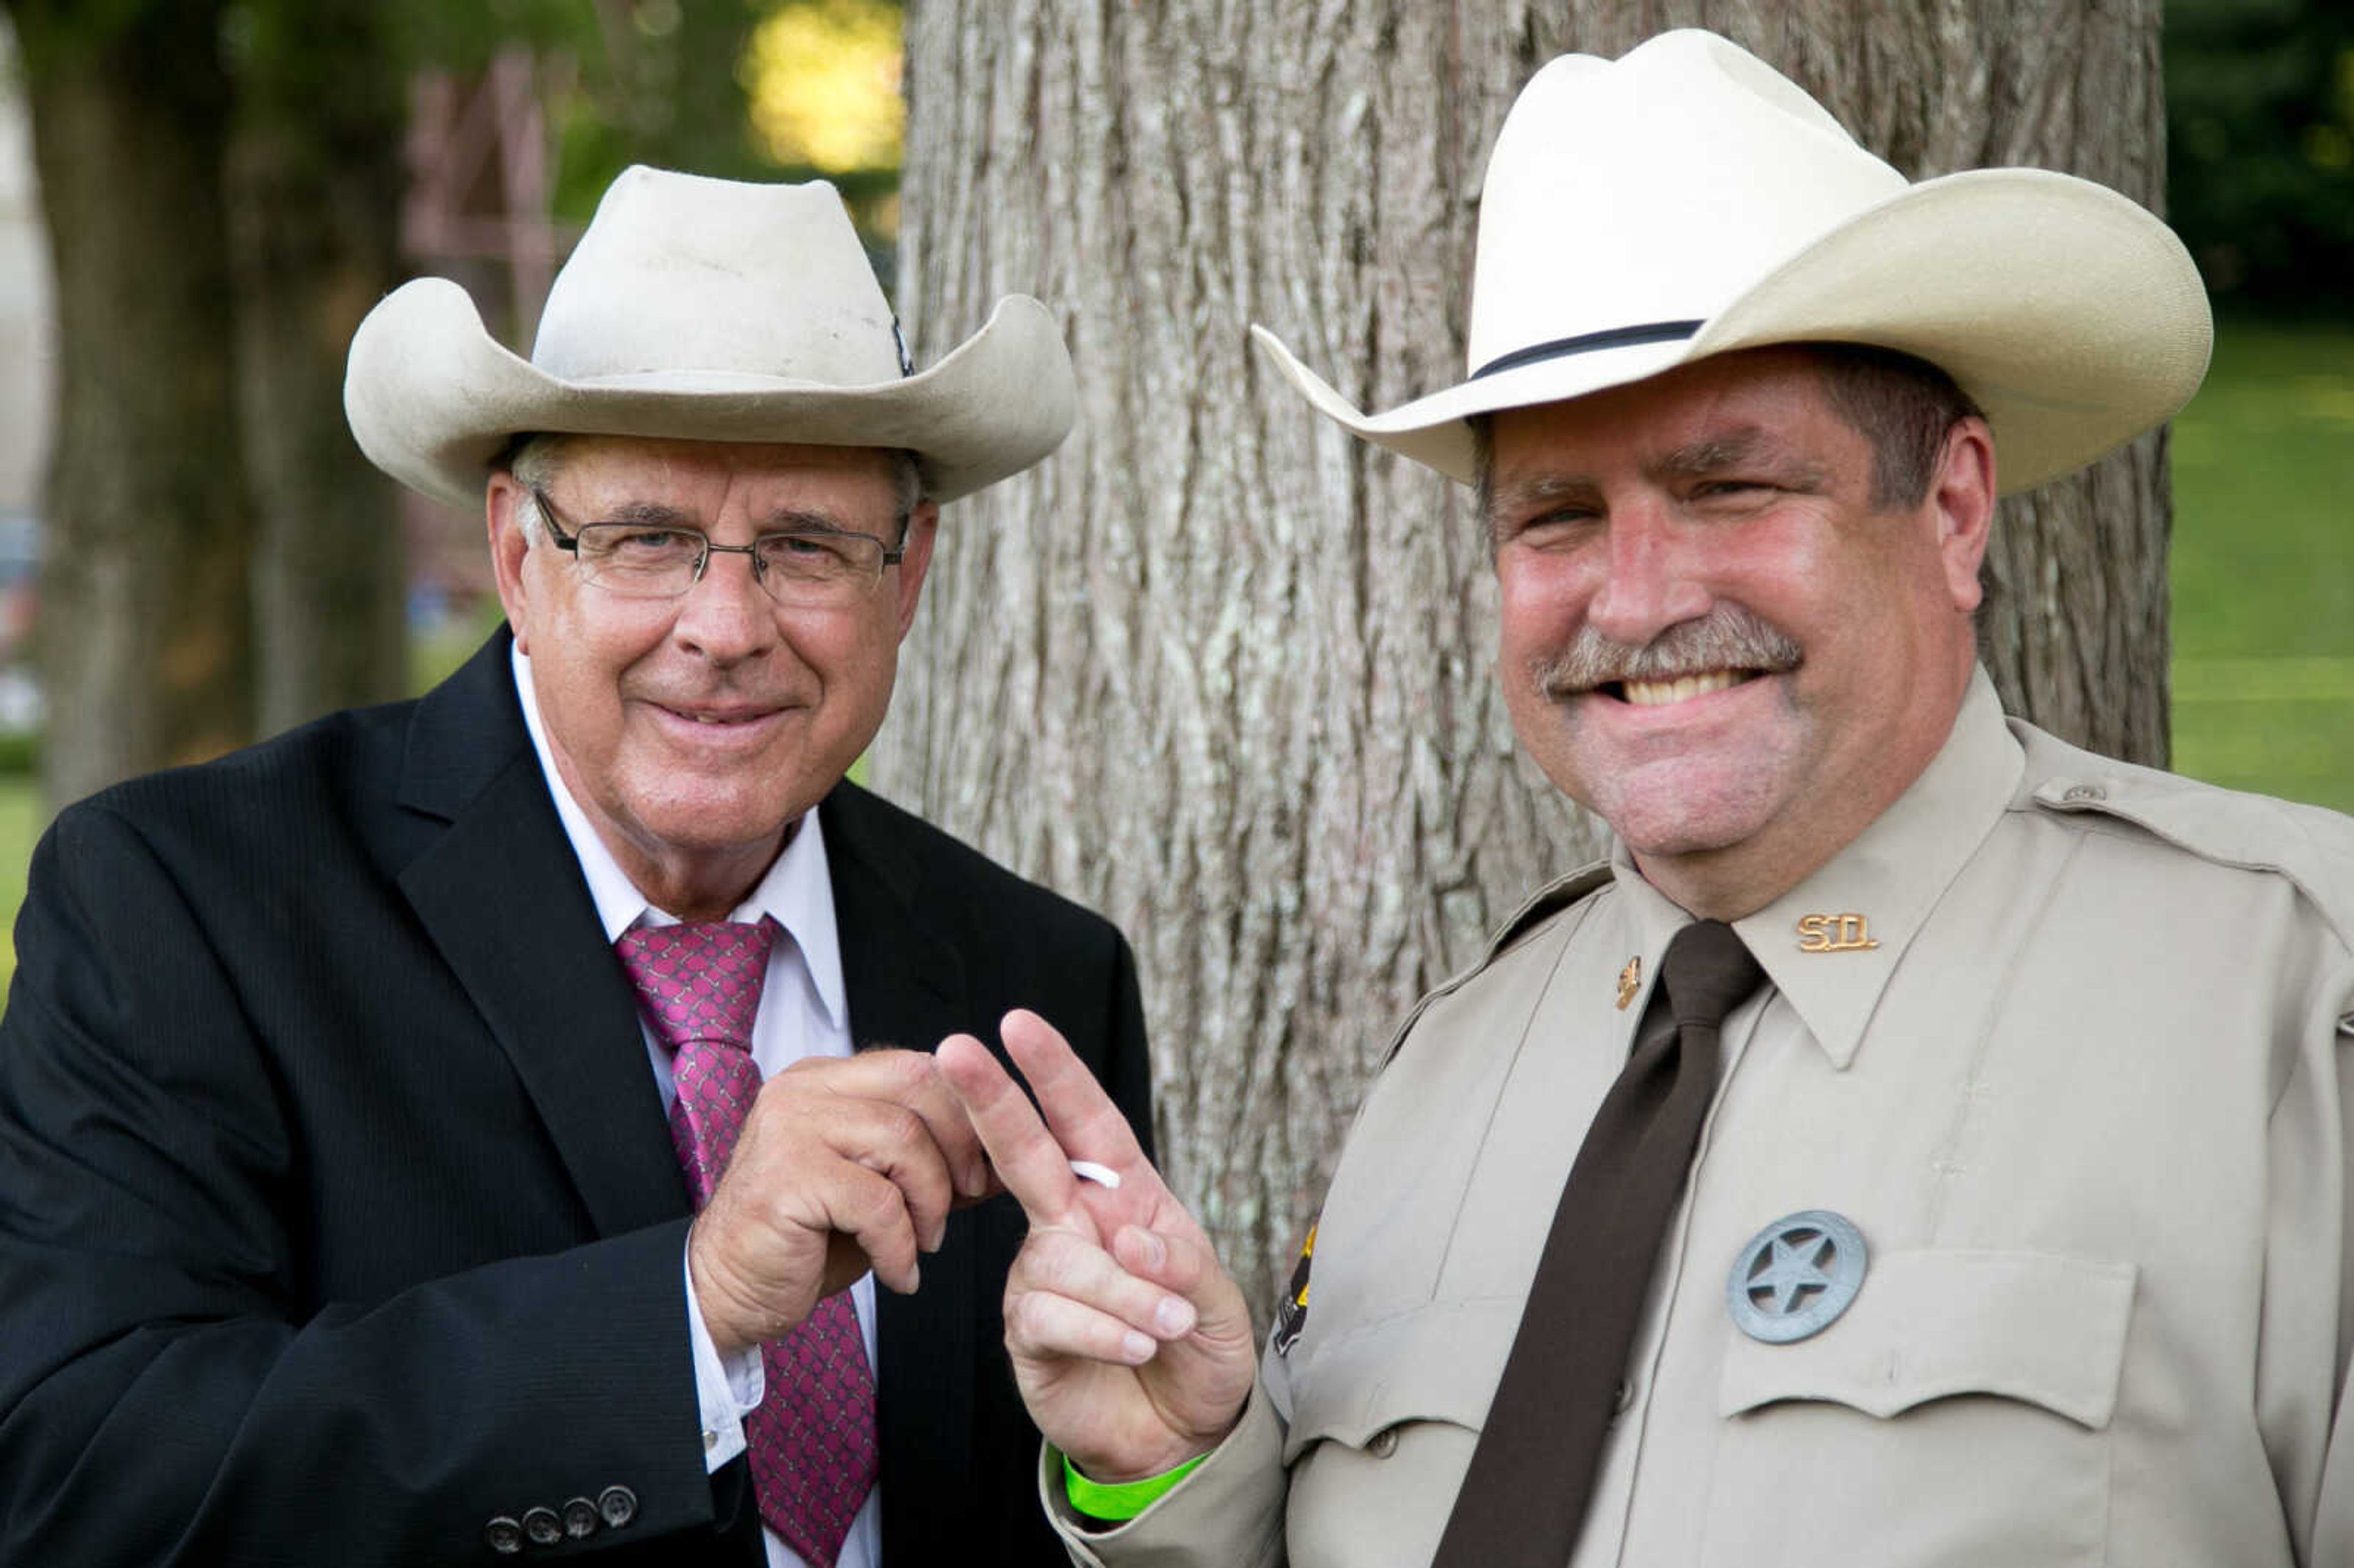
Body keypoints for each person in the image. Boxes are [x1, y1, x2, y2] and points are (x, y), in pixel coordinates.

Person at [932, 29, 2354, 1568]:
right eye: (1555, 513)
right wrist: (1180, 1479)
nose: (1637, 596)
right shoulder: (1450, 1070)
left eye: (1731, 487)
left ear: (1950, 509)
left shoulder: (2291, 1004)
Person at [0, 166, 1151, 1567]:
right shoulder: (190, 906)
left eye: (806, 546)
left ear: (904, 582)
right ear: (514, 554)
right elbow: (84, 1482)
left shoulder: (1034, 977)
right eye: (647, 540)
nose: (725, 624)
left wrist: (1132, 1486)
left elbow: (1064, 1490)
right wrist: (693, 1303)